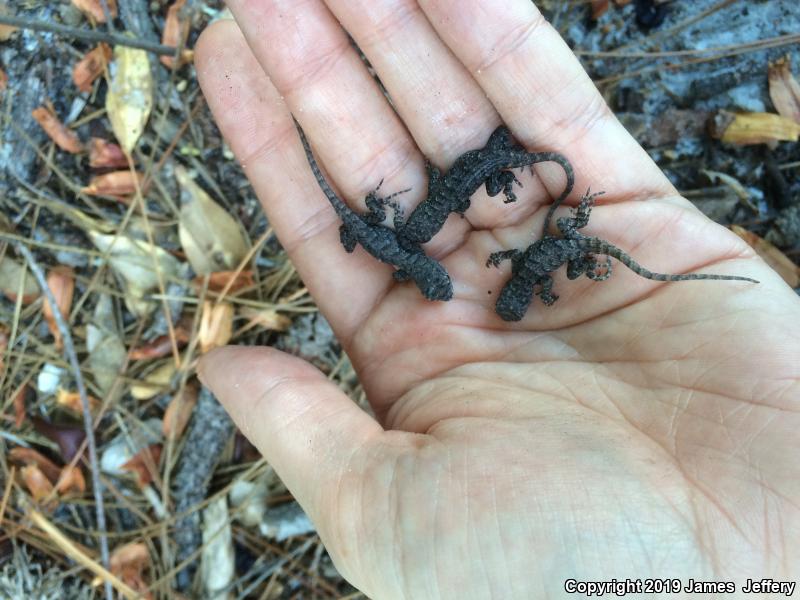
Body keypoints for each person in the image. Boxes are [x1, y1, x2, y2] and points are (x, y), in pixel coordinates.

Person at [194, 1, 799, 597]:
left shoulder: (467, 261)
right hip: (477, 192)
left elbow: (480, 235)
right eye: (433, 277)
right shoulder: (454, 259)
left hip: (482, 193)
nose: (438, 280)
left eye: (433, 279)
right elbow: (463, 233)